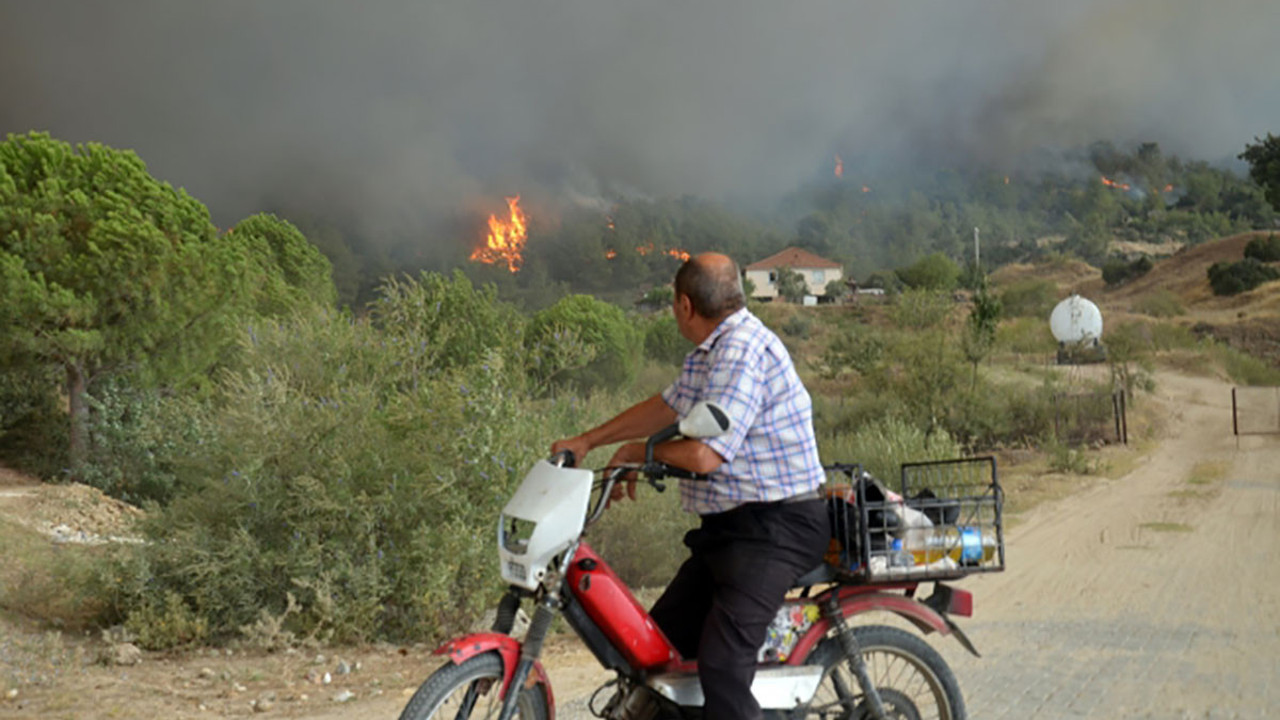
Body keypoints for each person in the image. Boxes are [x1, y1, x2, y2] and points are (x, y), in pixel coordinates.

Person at [551, 253, 830, 720]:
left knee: (722, 668)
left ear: (683, 304)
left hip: (776, 530)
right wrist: (589, 441)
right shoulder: (712, 351)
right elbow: (666, 408)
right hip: (731, 532)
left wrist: (640, 453)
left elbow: (706, 455)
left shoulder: (741, 349)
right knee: (657, 644)